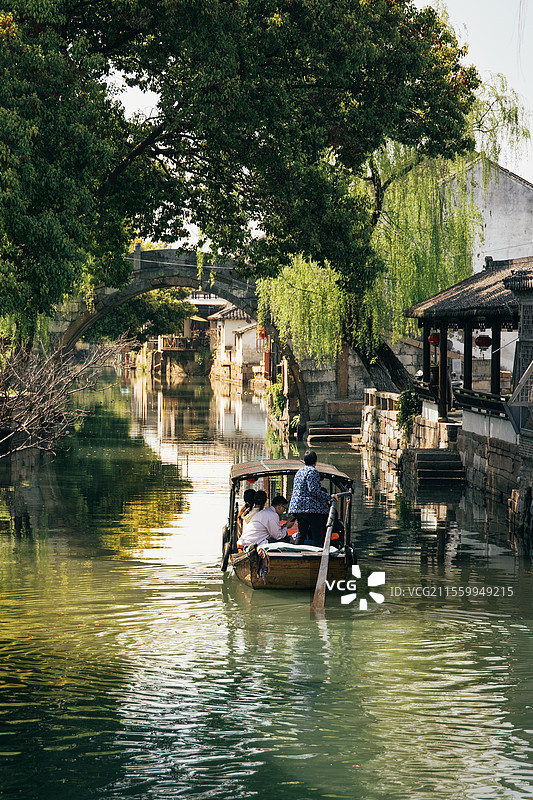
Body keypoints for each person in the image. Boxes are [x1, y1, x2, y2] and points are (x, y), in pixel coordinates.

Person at [288, 450, 337, 547]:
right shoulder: (313, 471)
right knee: (317, 534)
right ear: (315, 461)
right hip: (309, 509)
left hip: (297, 508)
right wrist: (329, 496)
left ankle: (297, 554)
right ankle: (316, 556)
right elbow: (314, 490)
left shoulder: (299, 472)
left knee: (301, 533)